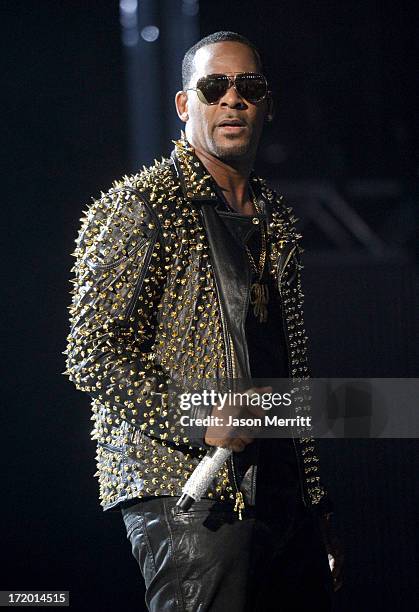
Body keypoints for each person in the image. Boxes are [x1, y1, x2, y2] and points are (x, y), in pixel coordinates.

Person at [63, 30, 343, 611]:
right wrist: (194, 416)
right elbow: (92, 351)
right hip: (188, 491)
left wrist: (314, 507)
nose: (233, 100)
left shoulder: (275, 216)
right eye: (215, 86)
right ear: (185, 104)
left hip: (279, 495)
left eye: (250, 87)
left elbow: (284, 368)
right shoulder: (141, 207)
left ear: (267, 103)